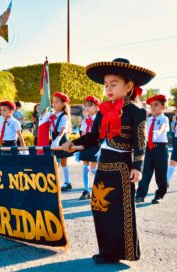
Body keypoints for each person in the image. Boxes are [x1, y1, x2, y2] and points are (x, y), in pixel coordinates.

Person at [62, 58, 154, 264]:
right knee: (99, 207)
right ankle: (106, 250)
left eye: (114, 84)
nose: (109, 89)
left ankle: (122, 252)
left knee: (120, 212)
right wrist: (73, 143)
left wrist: (138, 167)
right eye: (106, 85)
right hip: (103, 165)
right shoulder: (103, 110)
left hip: (122, 167)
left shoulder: (136, 111)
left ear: (128, 86)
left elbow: (140, 142)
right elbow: (94, 137)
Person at [136, 94, 169, 204]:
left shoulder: (164, 119)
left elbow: (162, 128)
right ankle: (140, 195)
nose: (153, 107)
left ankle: (159, 194)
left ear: (163, 107)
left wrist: (157, 133)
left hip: (160, 149)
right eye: (151, 105)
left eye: (156, 105)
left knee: (161, 174)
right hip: (148, 149)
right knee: (145, 172)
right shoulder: (148, 119)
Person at [78, 95, 101, 200]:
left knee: (92, 170)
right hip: (86, 145)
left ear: (97, 107)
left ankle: (102, 184)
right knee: (85, 167)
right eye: (86, 106)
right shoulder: (85, 120)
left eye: (90, 106)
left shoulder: (99, 118)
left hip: (96, 145)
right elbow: (83, 133)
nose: (87, 108)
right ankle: (86, 190)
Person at [50, 92, 73, 191]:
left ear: (63, 104)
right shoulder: (52, 115)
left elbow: (63, 129)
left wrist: (58, 139)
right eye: (53, 102)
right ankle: (55, 181)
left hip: (61, 139)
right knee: (54, 162)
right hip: (53, 139)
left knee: (63, 162)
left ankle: (67, 182)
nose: (54, 104)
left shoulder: (64, 116)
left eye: (57, 102)